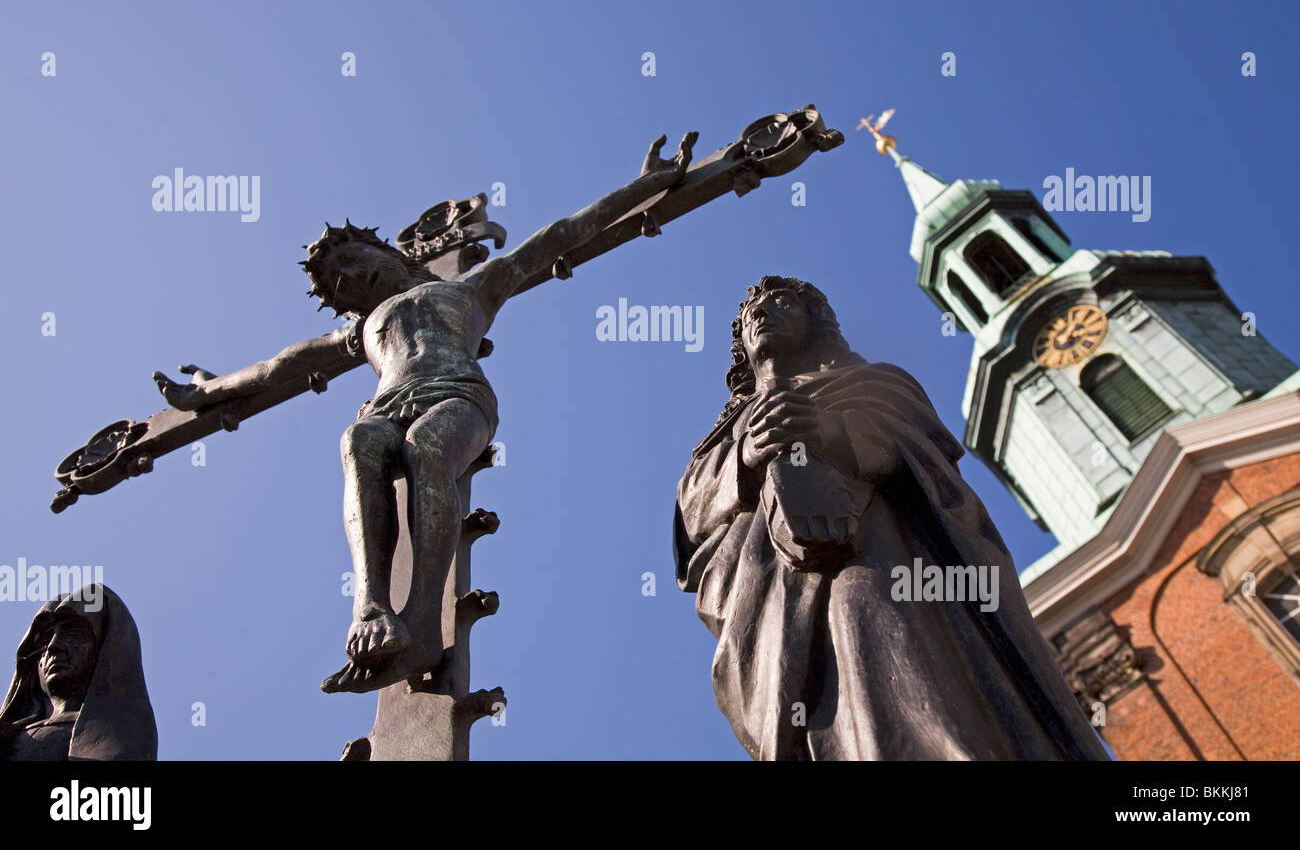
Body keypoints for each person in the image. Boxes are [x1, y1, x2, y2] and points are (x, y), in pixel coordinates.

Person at [154, 132, 697, 694]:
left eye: (348, 257)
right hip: (388, 404)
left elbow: (559, 236)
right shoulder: (359, 332)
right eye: (335, 279)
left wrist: (646, 184)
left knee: (427, 449)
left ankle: (420, 625)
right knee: (359, 441)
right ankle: (369, 605)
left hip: (457, 394)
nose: (346, 275)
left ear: (385, 251)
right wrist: (210, 391)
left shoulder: (473, 287)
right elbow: (276, 368)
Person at [672, 275, 1109, 759]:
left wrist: (829, 430)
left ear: (815, 322)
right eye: (752, 310)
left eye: (782, 302)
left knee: (879, 636)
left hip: (878, 552)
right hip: (764, 597)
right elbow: (693, 516)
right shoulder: (725, 437)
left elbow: (922, 451)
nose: (762, 313)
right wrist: (746, 455)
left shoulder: (873, 382)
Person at [0, 585, 157, 761]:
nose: (53, 646)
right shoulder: (10, 737)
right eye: (45, 640)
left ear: (105, 650)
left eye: (73, 634)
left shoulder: (123, 734)